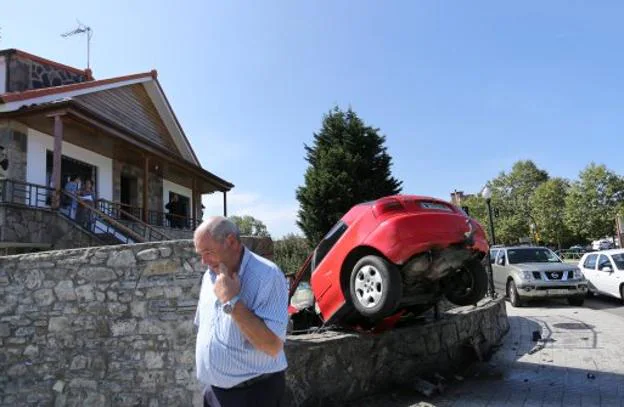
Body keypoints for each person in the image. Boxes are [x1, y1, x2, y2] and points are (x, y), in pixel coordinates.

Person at [193, 216, 289, 407]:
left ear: (231, 242)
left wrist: (231, 301)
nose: (203, 261)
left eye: (208, 252)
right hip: (215, 393)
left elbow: (272, 346)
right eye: (200, 254)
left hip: (254, 394)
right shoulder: (209, 275)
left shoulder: (267, 275)